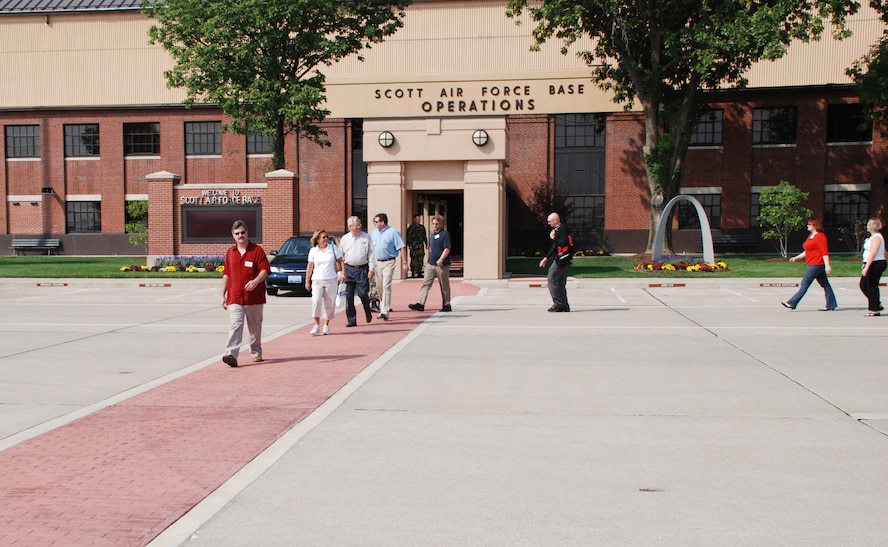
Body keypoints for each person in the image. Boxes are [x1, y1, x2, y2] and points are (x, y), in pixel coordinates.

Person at [221, 220, 270, 367]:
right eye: (237, 233)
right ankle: (231, 354)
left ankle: (256, 352)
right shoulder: (230, 252)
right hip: (235, 296)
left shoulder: (257, 251)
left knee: (254, 327)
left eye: (242, 232)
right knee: (236, 324)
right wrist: (222, 294)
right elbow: (226, 274)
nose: (240, 235)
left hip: (254, 298)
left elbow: (264, 270)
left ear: (247, 233)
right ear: (233, 235)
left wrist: (256, 281)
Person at [782, 217, 838, 311]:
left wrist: (827, 265)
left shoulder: (820, 236)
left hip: (817, 264)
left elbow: (824, 252)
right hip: (812, 263)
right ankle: (831, 304)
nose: (807, 226)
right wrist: (797, 258)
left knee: (805, 283)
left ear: (815, 226)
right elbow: (807, 251)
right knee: (825, 284)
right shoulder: (811, 236)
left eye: (809, 224)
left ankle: (792, 302)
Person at [408, 215, 452, 312]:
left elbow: (447, 248)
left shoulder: (445, 234)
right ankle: (421, 303)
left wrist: (441, 259)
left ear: (441, 224)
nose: (435, 226)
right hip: (431, 264)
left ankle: (447, 304)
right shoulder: (432, 235)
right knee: (426, 283)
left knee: (444, 285)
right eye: (433, 224)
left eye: (437, 224)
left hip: (442, 265)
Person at [339, 216, 377, 327]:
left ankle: (367, 309)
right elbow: (340, 257)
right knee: (349, 296)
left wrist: (371, 269)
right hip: (349, 269)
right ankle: (352, 320)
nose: (359, 227)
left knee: (363, 293)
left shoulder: (366, 237)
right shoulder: (345, 239)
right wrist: (341, 273)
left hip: (362, 269)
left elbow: (371, 254)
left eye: (359, 224)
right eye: (356, 225)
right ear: (350, 227)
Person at [305, 229, 345, 335]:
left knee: (329, 303)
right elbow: (309, 267)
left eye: (327, 237)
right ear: (318, 239)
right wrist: (307, 281)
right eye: (323, 237)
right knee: (316, 301)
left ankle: (326, 325)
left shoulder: (332, 248)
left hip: (331, 279)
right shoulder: (313, 251)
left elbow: (341, 261)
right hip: (317, 280)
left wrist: (343, 275)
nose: (326, 239)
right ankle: (316, 325)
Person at [370, 212, 408, 320]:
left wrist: (405, 263)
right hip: (377, 263)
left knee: (386, 285)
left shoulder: (393, 232)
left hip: (389, 262)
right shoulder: (373, 234)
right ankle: (382, 307)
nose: (375, 223)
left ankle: (385, 311)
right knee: (379, 287)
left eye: (376, 221)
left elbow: (401, 247)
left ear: (382, 222)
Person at [538, 212, 573, 312]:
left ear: (555, 220)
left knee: (552, 279)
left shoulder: (562, 229)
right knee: (560, 282)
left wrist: (554, 237)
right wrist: (546, 258)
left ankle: (558, 304)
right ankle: (564, 305)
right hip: (563, 259)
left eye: (550, 221)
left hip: (561, 260)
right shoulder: (559, 230)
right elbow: (554, 247)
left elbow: (563, 243)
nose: (549, 223)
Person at [860, 218, 886, 316]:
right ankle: (876, 304)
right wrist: (865, 263)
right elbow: (868, 252)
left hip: (876, 263)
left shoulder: (876, 237)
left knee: (871, 286)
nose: (867, 226)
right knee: (864, 285)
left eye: (868, 224)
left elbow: (873, 252)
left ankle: (875, 309)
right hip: (871, 262)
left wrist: (867, 267)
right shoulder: (872, 237)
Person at [406, 213, 428, 278]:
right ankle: (413, 271)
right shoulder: (411, 227)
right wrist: (409, 245)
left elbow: (424, 236)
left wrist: (426, 244)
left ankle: (419, 271)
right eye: (417, 219)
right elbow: (408, 237)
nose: (418, 220)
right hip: (413, 245)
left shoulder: (422, 227)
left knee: (420, 258)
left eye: (419, 219)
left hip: (420, 245)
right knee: (413, 258)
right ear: (414, 219)